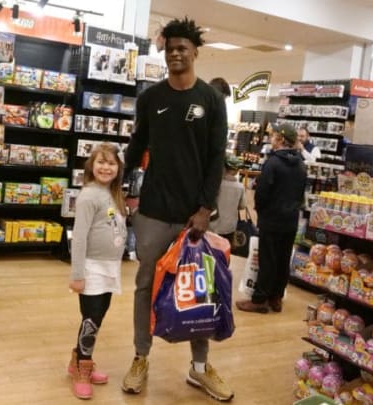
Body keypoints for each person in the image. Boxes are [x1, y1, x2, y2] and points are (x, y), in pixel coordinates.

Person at [122, 17, 233, 402]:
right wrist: (116, 184)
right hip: (152, 212)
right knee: (145, 286)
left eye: (182, 48)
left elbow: (216, 157)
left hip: (193, 218)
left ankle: (199, 369)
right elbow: (137, 146)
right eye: (170, 48)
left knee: (199, 291)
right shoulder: (151, 99)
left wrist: (206, 208)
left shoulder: (211, 100)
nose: (176, 54)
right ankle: (140, 357)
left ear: (195, 52)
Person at [67, 143, 128, 400]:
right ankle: (83, 368)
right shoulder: (89, 195)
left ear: (118, 168)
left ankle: (76, 361)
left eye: (111, 163)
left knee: (98, 316)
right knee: (91, 319)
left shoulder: (113, 193)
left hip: (109, 267)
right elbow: (79, 238)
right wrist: (77, 274)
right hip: (91, 268)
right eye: (101, 162)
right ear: (92, 165)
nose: (106, 167)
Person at [236, 122, 306, 313]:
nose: (271, 138)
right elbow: (301, 194)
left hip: (272, 218)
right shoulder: (301, 164)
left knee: (267, 258)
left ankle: (259, 300)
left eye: (274, 135)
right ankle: (276, 297)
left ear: (281, 139)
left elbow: (262, 192)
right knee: (283, 258)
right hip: (291, 220)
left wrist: (261, 210)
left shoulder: (273, 162)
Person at [209, 155, 246, 245]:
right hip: (230, 226)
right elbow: (242, 206)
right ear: (237, 170)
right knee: (225, 249)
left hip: (212, 224)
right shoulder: (240, 187)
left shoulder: (217, 184)